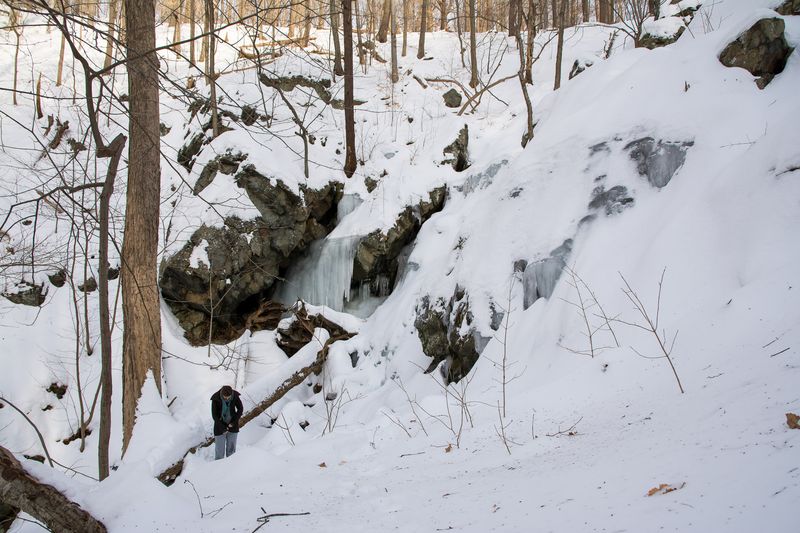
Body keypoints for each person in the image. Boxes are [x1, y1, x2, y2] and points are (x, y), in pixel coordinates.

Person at [210, 385, 243, 460]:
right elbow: (214, 415)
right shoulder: (216, 398)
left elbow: (240, 409)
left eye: (229, 397)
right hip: (219, 427)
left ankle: (230, 469)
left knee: (231, 451)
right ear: (222, 394)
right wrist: (222, 428)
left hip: (232, 426)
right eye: (225, 397)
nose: (227, 399)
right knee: (219, 453)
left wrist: (234, 422)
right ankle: (219, 469)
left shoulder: (235, 396)